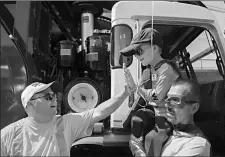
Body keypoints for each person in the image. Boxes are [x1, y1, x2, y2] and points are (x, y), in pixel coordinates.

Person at [1, 80, 132, 156]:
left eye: (53, 95)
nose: (54, 99)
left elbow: (99, 112)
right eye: (47, 97)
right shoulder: (10, 134)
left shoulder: (65, 123)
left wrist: (125, 93)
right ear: (29, 105)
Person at [120, 28, 181, 157]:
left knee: (152, 138)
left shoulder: (166, 69)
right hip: (159, 115)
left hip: (172, 119)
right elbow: (140, 97)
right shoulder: (151, 70)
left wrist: (136, 87)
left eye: (139, 51)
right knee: (137, 123)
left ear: (154, 48)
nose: (136, 56)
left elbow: (157, 97)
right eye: (134, 53)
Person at [161, 78, 211, 156]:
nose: (167, 105)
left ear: (194, 108)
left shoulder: (197, 144)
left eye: (175, 100)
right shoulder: (165, 131)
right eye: (166, 98)